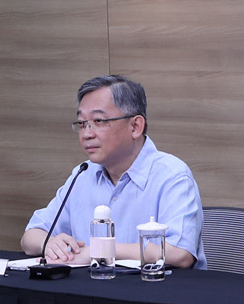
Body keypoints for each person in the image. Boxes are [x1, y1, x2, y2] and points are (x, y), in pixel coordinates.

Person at [21, 74, 205, 269]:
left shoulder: (172, 175)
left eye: (99, 121)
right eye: (82, 123)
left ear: (135, 126)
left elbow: (180, 254)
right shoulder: (83, 174)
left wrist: (100, 250)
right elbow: (30, 237)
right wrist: (50, 243)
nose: (87, 134)